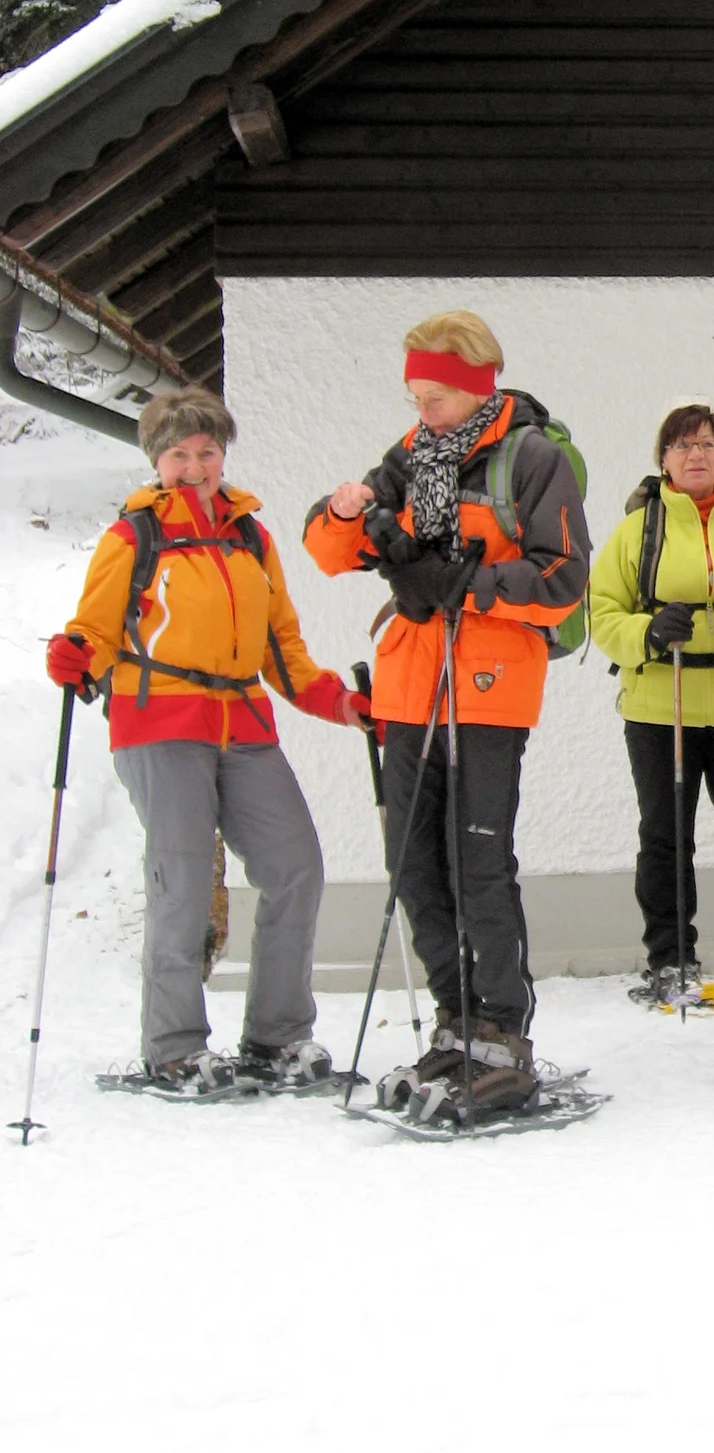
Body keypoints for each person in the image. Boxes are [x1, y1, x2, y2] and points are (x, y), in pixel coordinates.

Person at [306, 311, 591, 1121]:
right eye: (414, 395)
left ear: (475, 385)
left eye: (433, 396)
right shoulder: (409, 457)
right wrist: (345, 513)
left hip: (488, 690)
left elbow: (564, 578)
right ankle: (454, 1020)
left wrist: (465, 587)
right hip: (405, 690)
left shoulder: (532, 458)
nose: (420, 410)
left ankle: (503, 1031)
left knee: (477, 865)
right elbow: (332, 553)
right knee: (414, 868)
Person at [49, 385, 366, 1093]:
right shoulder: (133, 537)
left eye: (207, 452)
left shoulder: (250, 535)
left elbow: (282, 647)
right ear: (157, 461)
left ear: (223, 454)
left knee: (296, 867)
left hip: (244, 723)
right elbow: (96, 630)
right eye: (179, 454)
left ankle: (277, 1037)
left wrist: (338, 702)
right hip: (159, 721)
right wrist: (75, 655)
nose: (195, 467)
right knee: (182, 882)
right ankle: (173, 1048)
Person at [588, 400, 714, 1001]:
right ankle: (670, 959)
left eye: (707, 445)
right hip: (660, 707)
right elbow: (601, 614)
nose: (696, 454)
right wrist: (648, 634)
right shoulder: (638, 530)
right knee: (666, 835)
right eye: (683, 445)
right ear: (664, 460)